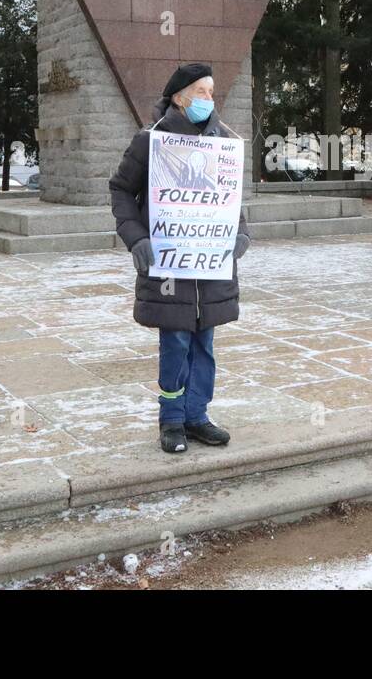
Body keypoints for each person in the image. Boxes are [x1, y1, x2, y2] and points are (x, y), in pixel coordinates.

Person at [108, 63, 250, 454]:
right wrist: (136, 238)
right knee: (176, 341)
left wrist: (240, 232)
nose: (209, 99)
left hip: (212, 266)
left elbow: (229, 200)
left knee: (204, 343)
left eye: (211, 92)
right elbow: (120, 190)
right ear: (179, 97)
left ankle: (197, 415)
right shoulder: (150, 142)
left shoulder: (222, 141)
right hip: (169, 265)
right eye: (201, 91)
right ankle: (171, 419)